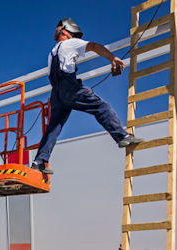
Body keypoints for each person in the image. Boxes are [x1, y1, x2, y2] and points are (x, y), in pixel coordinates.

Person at [32, 18, 143, 175]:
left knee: (53, 128)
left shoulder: (52, 53)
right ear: (67, 32)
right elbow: (94, 46)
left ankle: (39, 162)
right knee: (101, 107)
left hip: (56, 94)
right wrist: (112, 58)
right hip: (70, 88)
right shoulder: (70, 43)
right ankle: (122, 136)